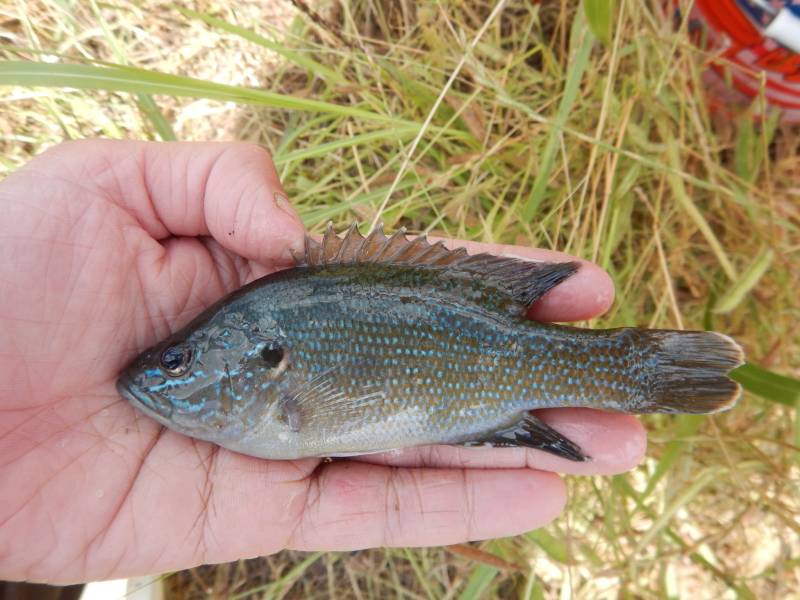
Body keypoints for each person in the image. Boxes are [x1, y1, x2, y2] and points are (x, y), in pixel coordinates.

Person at [0, 141, 645, 584]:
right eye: (174, 362)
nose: (154, 379)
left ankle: (635, 367)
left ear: (262, 364)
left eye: (179, 362)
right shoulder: (259, 332)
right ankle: (641, 369)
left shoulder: (268, 339)